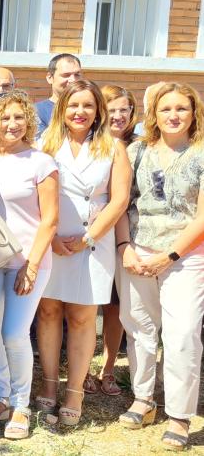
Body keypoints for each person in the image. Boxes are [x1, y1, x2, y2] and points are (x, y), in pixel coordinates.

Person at [34, 79, 131, 427]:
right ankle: (48, 382)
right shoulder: (45, 143)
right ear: (62, 109)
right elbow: (34, 193)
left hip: (94, 242)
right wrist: (52, 238)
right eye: (73, 105)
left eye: (87, 106)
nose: (80, 112)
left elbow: (119, 200)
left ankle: (74, 390)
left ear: (97, 111)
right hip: (52, 241)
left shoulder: (113, 147)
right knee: (47, 311)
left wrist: (88, 237)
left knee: (81, 317)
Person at [114, 82, 204, 451]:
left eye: (181, 108)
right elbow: (121, 202)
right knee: (139, 330)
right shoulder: (136, 151)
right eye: (166, 109)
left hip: (184, 258)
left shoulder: (201, 153)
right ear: (154, 114)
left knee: (182, 335)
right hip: (137, 252)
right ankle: (143, 398)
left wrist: (169, 256)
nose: (173, 115)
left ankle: (180, 416)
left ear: (194, 113)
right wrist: (124, 247)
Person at [0, 91, 59, 440]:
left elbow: (50, 220)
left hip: (28, 261)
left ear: (28, 120)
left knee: (14, 333)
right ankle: (2, 397)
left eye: (18, 117)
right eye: (4, 117)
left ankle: (21, 404)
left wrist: (33, 265)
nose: (11, 124)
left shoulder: (41, 162)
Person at [82, 84, 137, 398]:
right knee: (90, 307)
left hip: (127, 239)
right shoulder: (92, 144)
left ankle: (108, 369)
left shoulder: (139, 145)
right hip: (96, 236)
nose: (118, 116)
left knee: (116, 308)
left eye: (124, 110)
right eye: (112, 109)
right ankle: (85, 368)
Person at [35, 54, 82, 133]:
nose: (73, 80)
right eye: (66, 75)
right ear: (50, 78)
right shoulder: (36, 111)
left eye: (77, 74)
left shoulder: (90, 110)